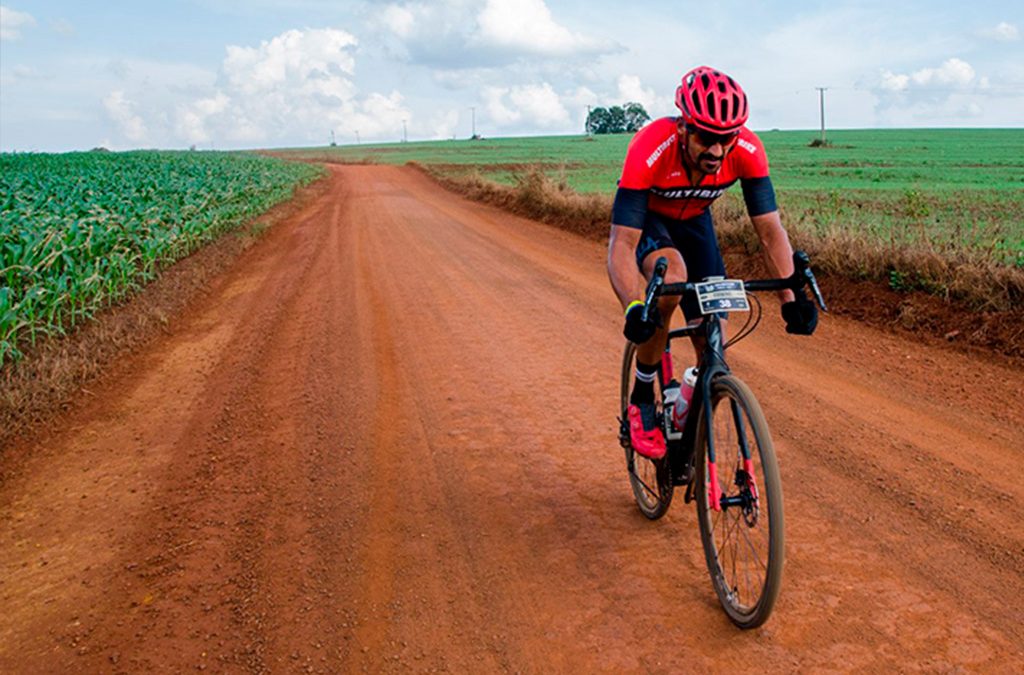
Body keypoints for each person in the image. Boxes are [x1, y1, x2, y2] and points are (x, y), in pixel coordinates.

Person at [606, 65, 818, 459]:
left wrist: (791, 297)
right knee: (672, 279)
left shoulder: (749, 151)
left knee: (713, 328)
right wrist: (634, 307)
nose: (718, 151)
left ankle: (690, 410)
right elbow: (622, 242)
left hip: (695, 221)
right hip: (650, 219)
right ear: (684, 127)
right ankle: (642, 396)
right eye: (707, 138)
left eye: (727, 138)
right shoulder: (650, 146)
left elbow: (771, 231)